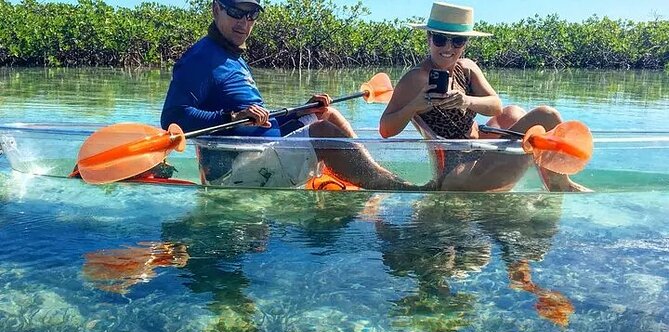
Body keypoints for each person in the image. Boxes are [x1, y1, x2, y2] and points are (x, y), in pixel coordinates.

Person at [161, 0, 415, 190]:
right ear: (216, 9)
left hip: (261, 150)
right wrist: (232, 115)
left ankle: (376, 175)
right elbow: (173, 117)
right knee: (322, 132)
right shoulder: (200, 59)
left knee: (324, 114)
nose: (244, 22)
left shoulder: (232, 55)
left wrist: (301, 111)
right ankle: (387, 186)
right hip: (234, 171)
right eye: (236, 12)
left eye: (252, 15)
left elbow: (259, 120)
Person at [379, 2, 589, 192]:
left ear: (465, 43)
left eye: (457, 41)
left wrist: (466, 100)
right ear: (429, 38)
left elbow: (496, 106)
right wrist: (414, 106)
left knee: (513, 112)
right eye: (440, 39)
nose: (448, 48)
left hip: (476, 151)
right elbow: (385, 129)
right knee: (546, 115)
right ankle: (561, 186)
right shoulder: (415, 78)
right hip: (458, 173)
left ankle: (556, 183)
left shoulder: (467, 68)